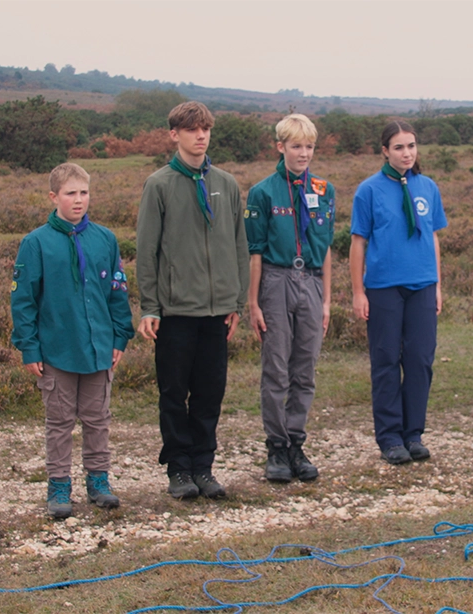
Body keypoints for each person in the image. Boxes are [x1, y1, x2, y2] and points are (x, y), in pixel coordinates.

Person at [136, 101, 248, 499]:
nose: (200, 136)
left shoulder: (227, 183)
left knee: (209, 393)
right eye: (191, 130)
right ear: (175, 135)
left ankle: (204, 466)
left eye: (205, 129)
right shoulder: (159, 184)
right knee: (173, 392)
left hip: (217, 311)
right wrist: (149, 305)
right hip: (176, 311)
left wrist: (237, 302)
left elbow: (239, 244)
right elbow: (146, 251)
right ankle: (179, 470)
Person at [10, 163, 135, 518]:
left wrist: (119, 337)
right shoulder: (35, 243)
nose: (78, 200)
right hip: (56, 350)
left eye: (83, 192)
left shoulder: (106, 239)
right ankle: (59, 485)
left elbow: (117, 292)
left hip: (98, 348)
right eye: (70, 193)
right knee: (60, 421)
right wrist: (29, 347)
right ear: (54, 197)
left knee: (98, 418)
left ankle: (98, 481)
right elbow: (23, 301)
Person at [350, 121, 447, 465]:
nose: (407, 153)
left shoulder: (428, 187)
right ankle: (390, 437)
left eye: (411, 146)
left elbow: (433, 235)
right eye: (399, 147)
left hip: (422, 285)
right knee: (387, 361)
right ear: (385, 152)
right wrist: (358, 291)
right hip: (383, 288)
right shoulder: (369, 190)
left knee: (420, 360)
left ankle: (413, 433)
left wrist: (436, 284)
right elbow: (358, 242)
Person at [245, 114, 334, 483]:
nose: (303, 153)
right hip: (276, 281)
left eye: (309, 146)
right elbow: (255, 253)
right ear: (280, 147)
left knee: (305, 368)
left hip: (311, 281)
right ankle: (276, 446)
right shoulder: (263, 192)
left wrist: (326, 300)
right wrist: (253, 303)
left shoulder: (323, 189)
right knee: (277, 369)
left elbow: (326, 247)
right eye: (296, 146)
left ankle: (297, 442)